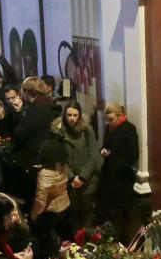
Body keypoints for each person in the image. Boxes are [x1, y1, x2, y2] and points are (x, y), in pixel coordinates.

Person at [51, 101, 101, 231]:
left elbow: (93, 155)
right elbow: (58, 158)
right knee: (73, 213)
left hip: (87, 180)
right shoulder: (59, 132)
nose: (72, 118)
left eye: (75, 115)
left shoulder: (87, 130)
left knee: (87, 212)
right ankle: (75, 244)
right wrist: (72, 177)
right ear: (64, 115)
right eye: (69, 115)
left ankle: (88, 243)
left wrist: (83, 176)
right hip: (69, 180)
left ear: (79, 115)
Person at [98, 102, 139, 239]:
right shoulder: (108, 128)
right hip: (108, 175)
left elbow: (133, 154)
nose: (108, 122)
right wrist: (103, 151)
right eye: (107, 119)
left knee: (119, 214)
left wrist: (114, 158)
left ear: (120, 116)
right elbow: (105, 145)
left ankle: (120, 242)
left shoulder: (129, 129)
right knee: (108, 212)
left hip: (122, 178)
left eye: (111, 119)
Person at [31, 139, 71, 259]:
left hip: (51, 212)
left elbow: (41, 203)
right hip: (64, 206)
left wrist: (32, 217)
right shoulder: (63, 166)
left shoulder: (45, 174)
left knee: (49, 243)